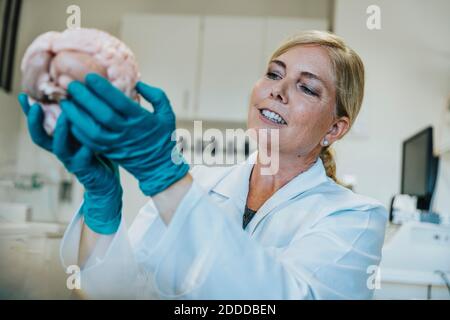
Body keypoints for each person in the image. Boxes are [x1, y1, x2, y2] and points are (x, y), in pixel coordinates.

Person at [18, 30, 387, 299]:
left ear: (335, 128)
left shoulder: (354, 218)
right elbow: (123, 293)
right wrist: (103, 201)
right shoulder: (197, 183)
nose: (278, 89)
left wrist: (162, 174)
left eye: (307, 87)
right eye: (275, 74)